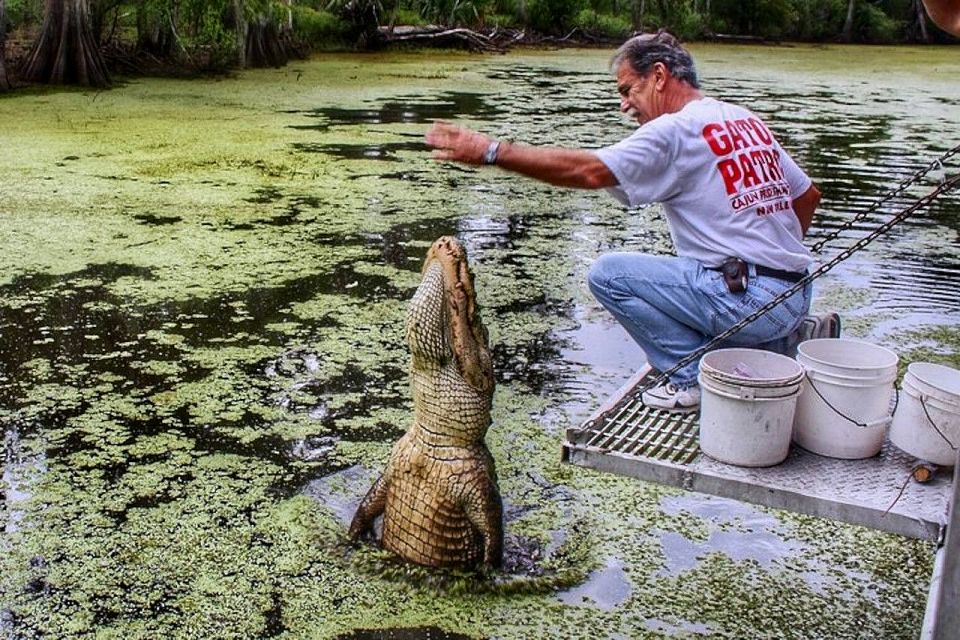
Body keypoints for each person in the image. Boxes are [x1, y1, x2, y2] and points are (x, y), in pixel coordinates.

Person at [425, 31, 837, 412]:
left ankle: (690, 379)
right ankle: (776, 341)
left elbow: (590, 172)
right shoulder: (741, 118)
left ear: (658, 76)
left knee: (610, 274)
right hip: (797, 298)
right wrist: (772, 263)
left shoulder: (676, 131)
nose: (624, 105)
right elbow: (808, 195)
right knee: (693, 269)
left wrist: (491, 151)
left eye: (627, 90)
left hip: (750, 305)